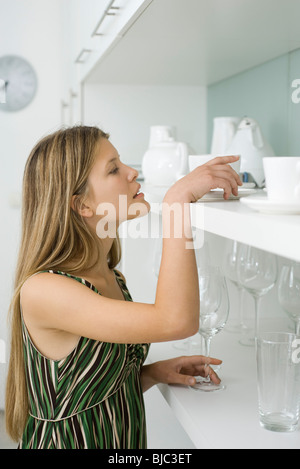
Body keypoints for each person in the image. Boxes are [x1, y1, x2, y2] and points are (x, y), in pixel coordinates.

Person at [5, 125, 242, 449]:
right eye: (114, 169)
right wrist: (176, 203)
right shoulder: (46, 290)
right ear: (82, 205)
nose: (132, 173)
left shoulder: (111, 277)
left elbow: (85, 391)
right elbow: (177, 320)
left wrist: (152, 373)